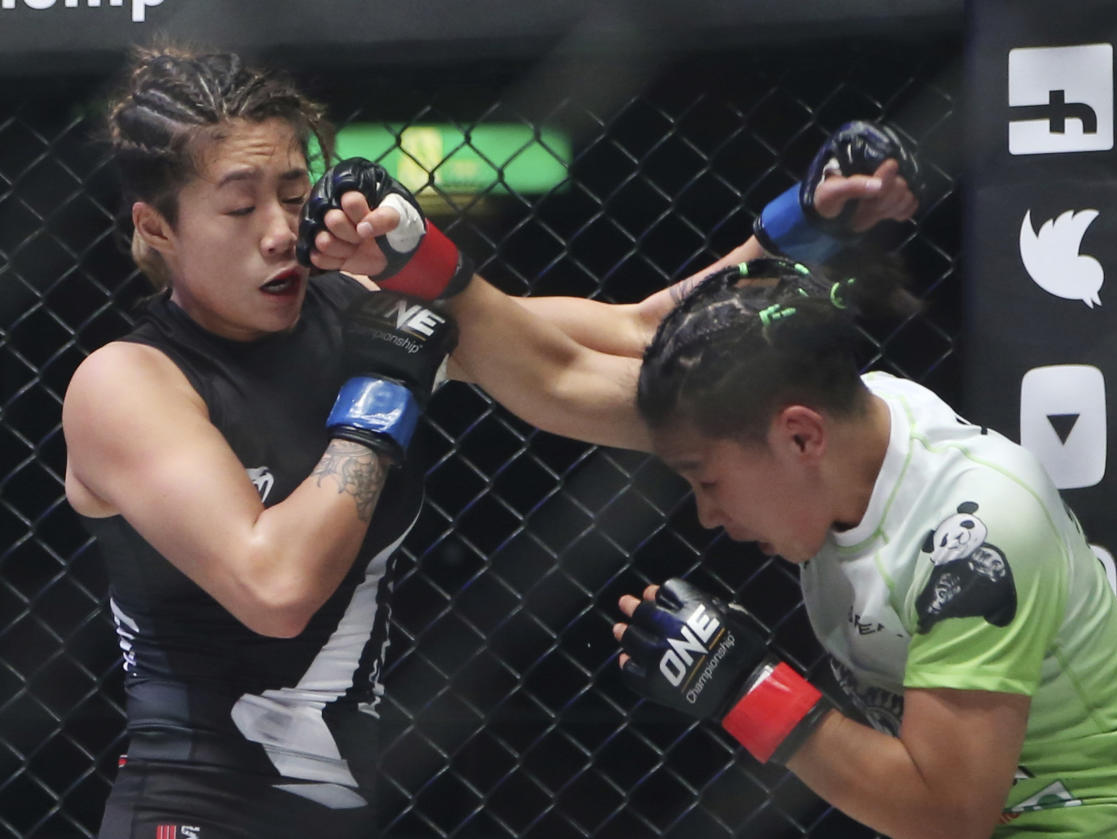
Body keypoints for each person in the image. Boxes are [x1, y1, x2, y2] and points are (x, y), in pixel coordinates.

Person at [62, 45, 918, 837]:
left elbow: (629, 333)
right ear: (160, 226)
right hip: (191, 809)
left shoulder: (359, 308)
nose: (280, 230)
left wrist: (795, 232)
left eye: (292, 194)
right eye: (241, 205)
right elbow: (275, 584)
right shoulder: (129, 384)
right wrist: (387, 384)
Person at [609, 257, 1117, 838]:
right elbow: (556, 377)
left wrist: (746, 688)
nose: (708, 514)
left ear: (801, 438)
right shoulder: (851, 423)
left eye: (708, 480)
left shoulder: (976, 533)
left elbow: (947, 815)